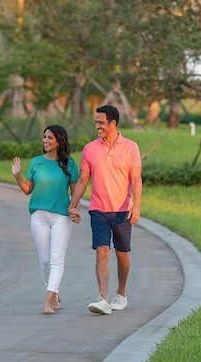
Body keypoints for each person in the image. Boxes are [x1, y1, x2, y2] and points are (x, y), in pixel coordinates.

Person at [68, 105, 142, 315]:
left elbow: (136, 179)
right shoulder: (90, 149)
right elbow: (83, 180)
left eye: (101, 122)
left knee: (122, 254)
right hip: (98, 209)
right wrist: (73, 204)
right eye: (96, 122)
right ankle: (103, 298)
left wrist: (136, 204)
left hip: (122, 210)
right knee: (102, 252)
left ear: (113, 123)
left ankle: (121, 293)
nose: (97, 126)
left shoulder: (131, 147)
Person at [11, 125, 79, 315]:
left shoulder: (69, 164)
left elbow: (76, 193)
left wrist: (75, 210)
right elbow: (27, 190)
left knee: (57, 258)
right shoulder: (36, 163)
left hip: (61, 217)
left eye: (50, 138)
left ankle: (48, 300)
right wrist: (17, 176)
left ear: (59, 141)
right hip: (39, 216)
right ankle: (54, 291)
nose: (45, 141)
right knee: (45, 260)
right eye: (44, 137)